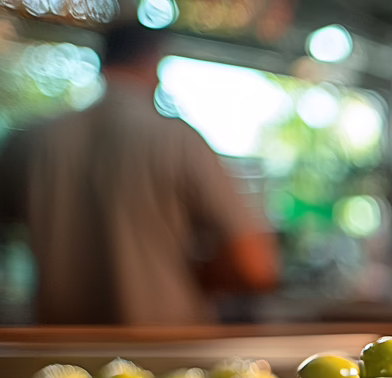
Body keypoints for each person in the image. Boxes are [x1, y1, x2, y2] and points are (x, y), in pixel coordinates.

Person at [0, 23, 278, 325]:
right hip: (164, 350)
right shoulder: (178, 141)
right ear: (154, 62)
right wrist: (185, 272)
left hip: (61, 354)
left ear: (101, 62)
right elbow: (255, 266)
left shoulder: (31, 141)